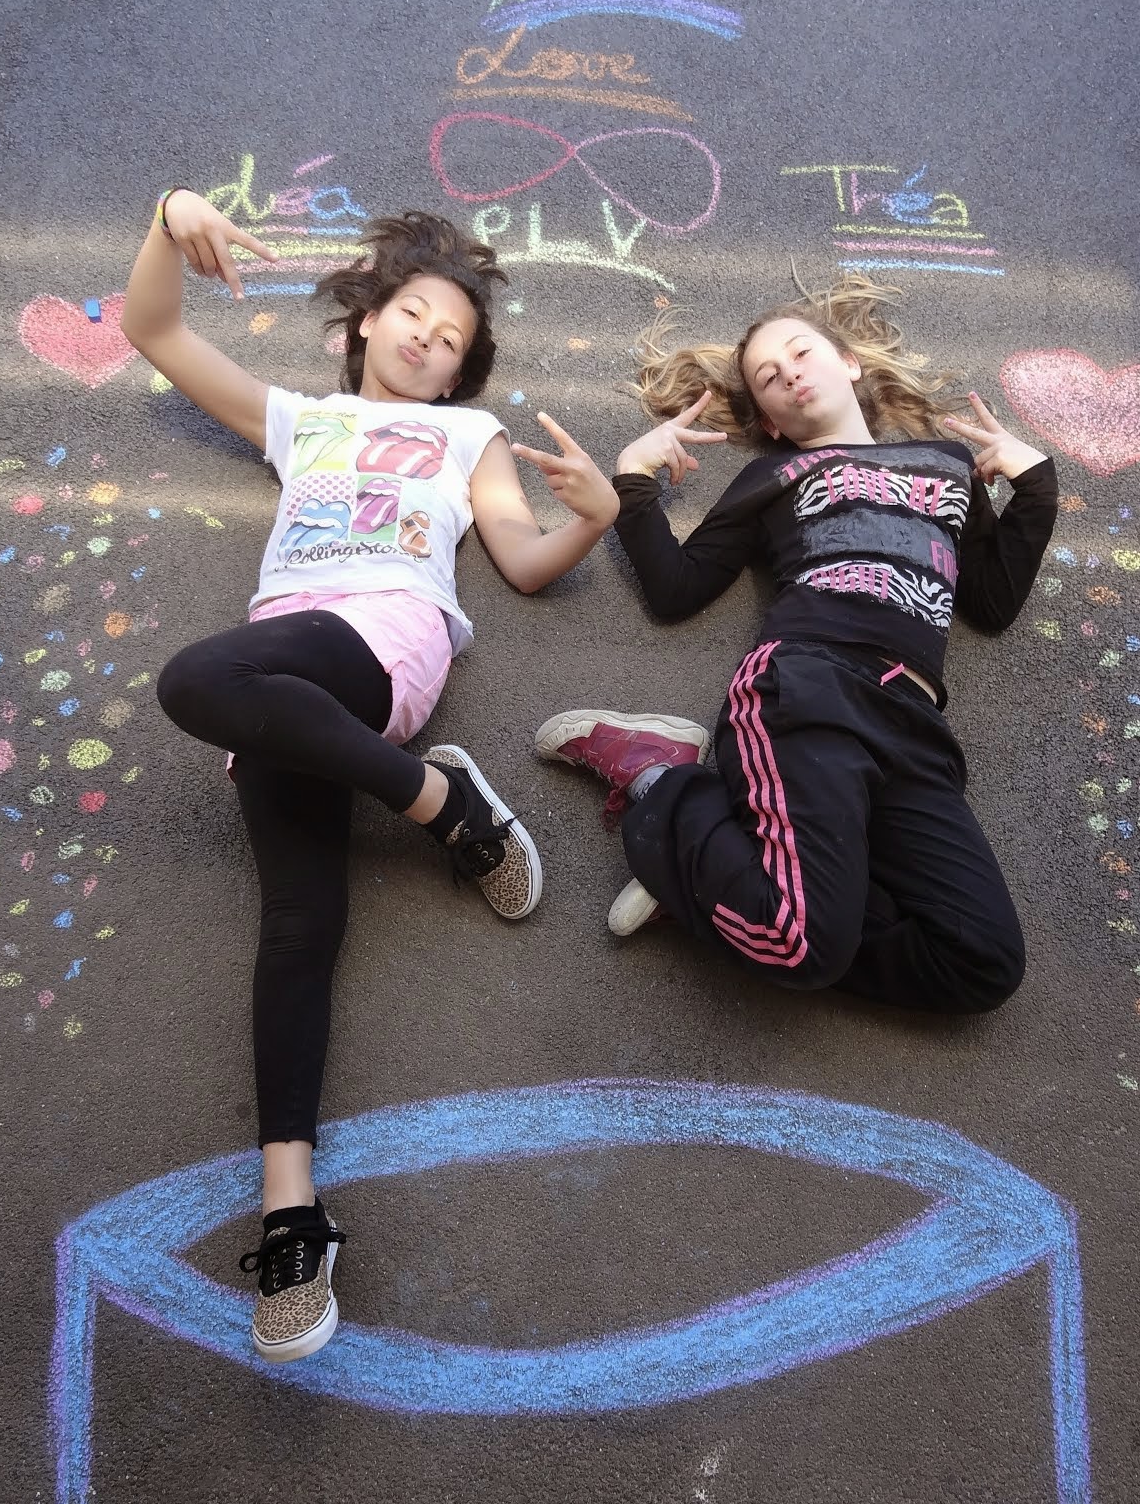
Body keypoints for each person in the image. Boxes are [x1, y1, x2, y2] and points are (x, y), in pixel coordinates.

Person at [121, 188, 620, 1362]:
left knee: (194, 681)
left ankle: (442, 801)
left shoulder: (464, 436)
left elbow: (523, 559)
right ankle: (294, 1217)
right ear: (362, 324)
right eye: (410, 314)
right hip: (284, 672)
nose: (426, 341)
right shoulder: (301, 420)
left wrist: (591, 520)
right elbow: (154, 330)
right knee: (299, 925)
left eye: (449, 340)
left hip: (382, 636)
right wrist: (167, 219)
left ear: (457, 378)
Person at [527, 275, 1058, 1011]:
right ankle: (662, 782)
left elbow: (992, 604)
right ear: (770, 421)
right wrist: (634, 477)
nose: (788, 374)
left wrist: (1035, 490)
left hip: (915, 724)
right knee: (799, 943)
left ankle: (729, 880)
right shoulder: (771, 475)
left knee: (980, 964)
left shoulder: (949, 468)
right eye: (767, 379)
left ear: (847, 364)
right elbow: (677, 591)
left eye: (800, 353)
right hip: (811, 689)